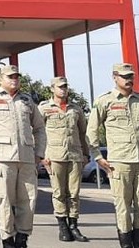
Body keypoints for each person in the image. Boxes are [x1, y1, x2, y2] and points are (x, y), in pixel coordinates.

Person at [86, 63, 139, 248]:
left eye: (131, 76)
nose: (129, 79)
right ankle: (126, 245)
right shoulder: (105, 101)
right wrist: (97, 156)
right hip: (118, 162)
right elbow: (92, 130)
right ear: (115, 77)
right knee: (122, 206)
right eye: (124, 76)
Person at [0, 65, 47, 248]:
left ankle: (22, 237)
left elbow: (39, 129)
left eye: (16, 76)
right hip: (1, 159)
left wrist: (39, 154)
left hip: (27, 159)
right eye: (10, 76)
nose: (14, 79)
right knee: (4, 200)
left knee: (28, 200)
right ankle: (7, 239)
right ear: (0, 80)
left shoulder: (27, 101)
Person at [38, 76, 89, 242]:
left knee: (74, 193)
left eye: (65, 86)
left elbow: (82, 133)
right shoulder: (45, 108)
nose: (63, 89)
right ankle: (62, 226)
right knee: (59, 192)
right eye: (60, 87)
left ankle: (74, 225)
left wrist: (86, 154)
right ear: (52, 89)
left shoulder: (76, 109)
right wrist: (42, 155)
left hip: (74, 155)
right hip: (54, 156)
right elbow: (37, 132)